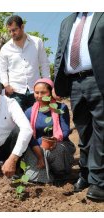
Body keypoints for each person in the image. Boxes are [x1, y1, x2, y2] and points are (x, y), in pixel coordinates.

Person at [54, 12, 104, 201]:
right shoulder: (67, 21)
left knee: (101, 130)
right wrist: (57, 83)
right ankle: (86, 174)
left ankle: (99, 182)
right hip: (75, 83)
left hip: (98, 80)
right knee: (83, 131)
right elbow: (61, 52)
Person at [22, 78, 76, 183]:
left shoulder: (60, 108)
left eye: (43, 92)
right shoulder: (29, 112)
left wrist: (54, 139)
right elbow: (28, 134)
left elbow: (65, 130)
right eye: (36, 92)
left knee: (57, 150)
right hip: (36, 147)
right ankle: (46, 174)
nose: (39, 96)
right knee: (36, 178)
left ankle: (60, 173)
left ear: (50, 93)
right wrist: (38, 148)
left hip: (58, 144)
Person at [0, 15, 50, 111]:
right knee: (17, 123)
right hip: (15, 92)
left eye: (14, 30)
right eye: (9, 31)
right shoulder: (5, 48)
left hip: (36, 91)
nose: (11, 33)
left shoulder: (37, 42)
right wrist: (6, 85)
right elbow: (2, 70)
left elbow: (44, 64)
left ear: (22, 27)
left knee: (37, 121)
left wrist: (47, 84)